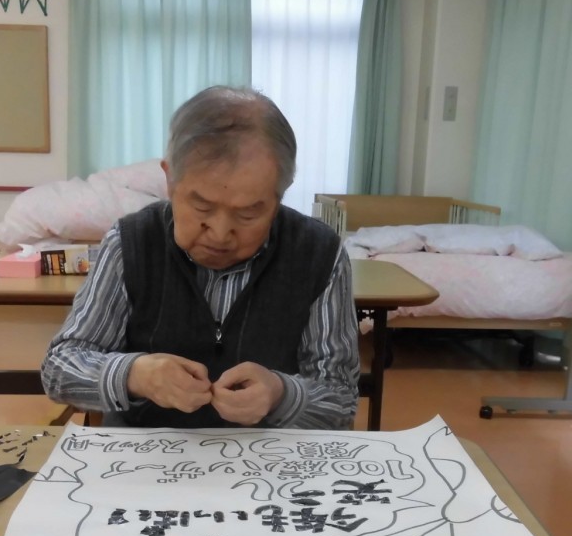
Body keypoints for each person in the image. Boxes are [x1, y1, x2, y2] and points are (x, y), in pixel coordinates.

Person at [41, 86, 359, 430]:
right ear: (170, 180)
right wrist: (135, 375)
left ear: (278, 197)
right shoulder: (130, 243)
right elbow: (59, 370)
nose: (220, 233)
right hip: (144, 453)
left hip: (267, 456)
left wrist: (283, 395)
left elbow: (341, 401)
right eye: (202, 207)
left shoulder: (319, 254)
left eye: (248, 214)